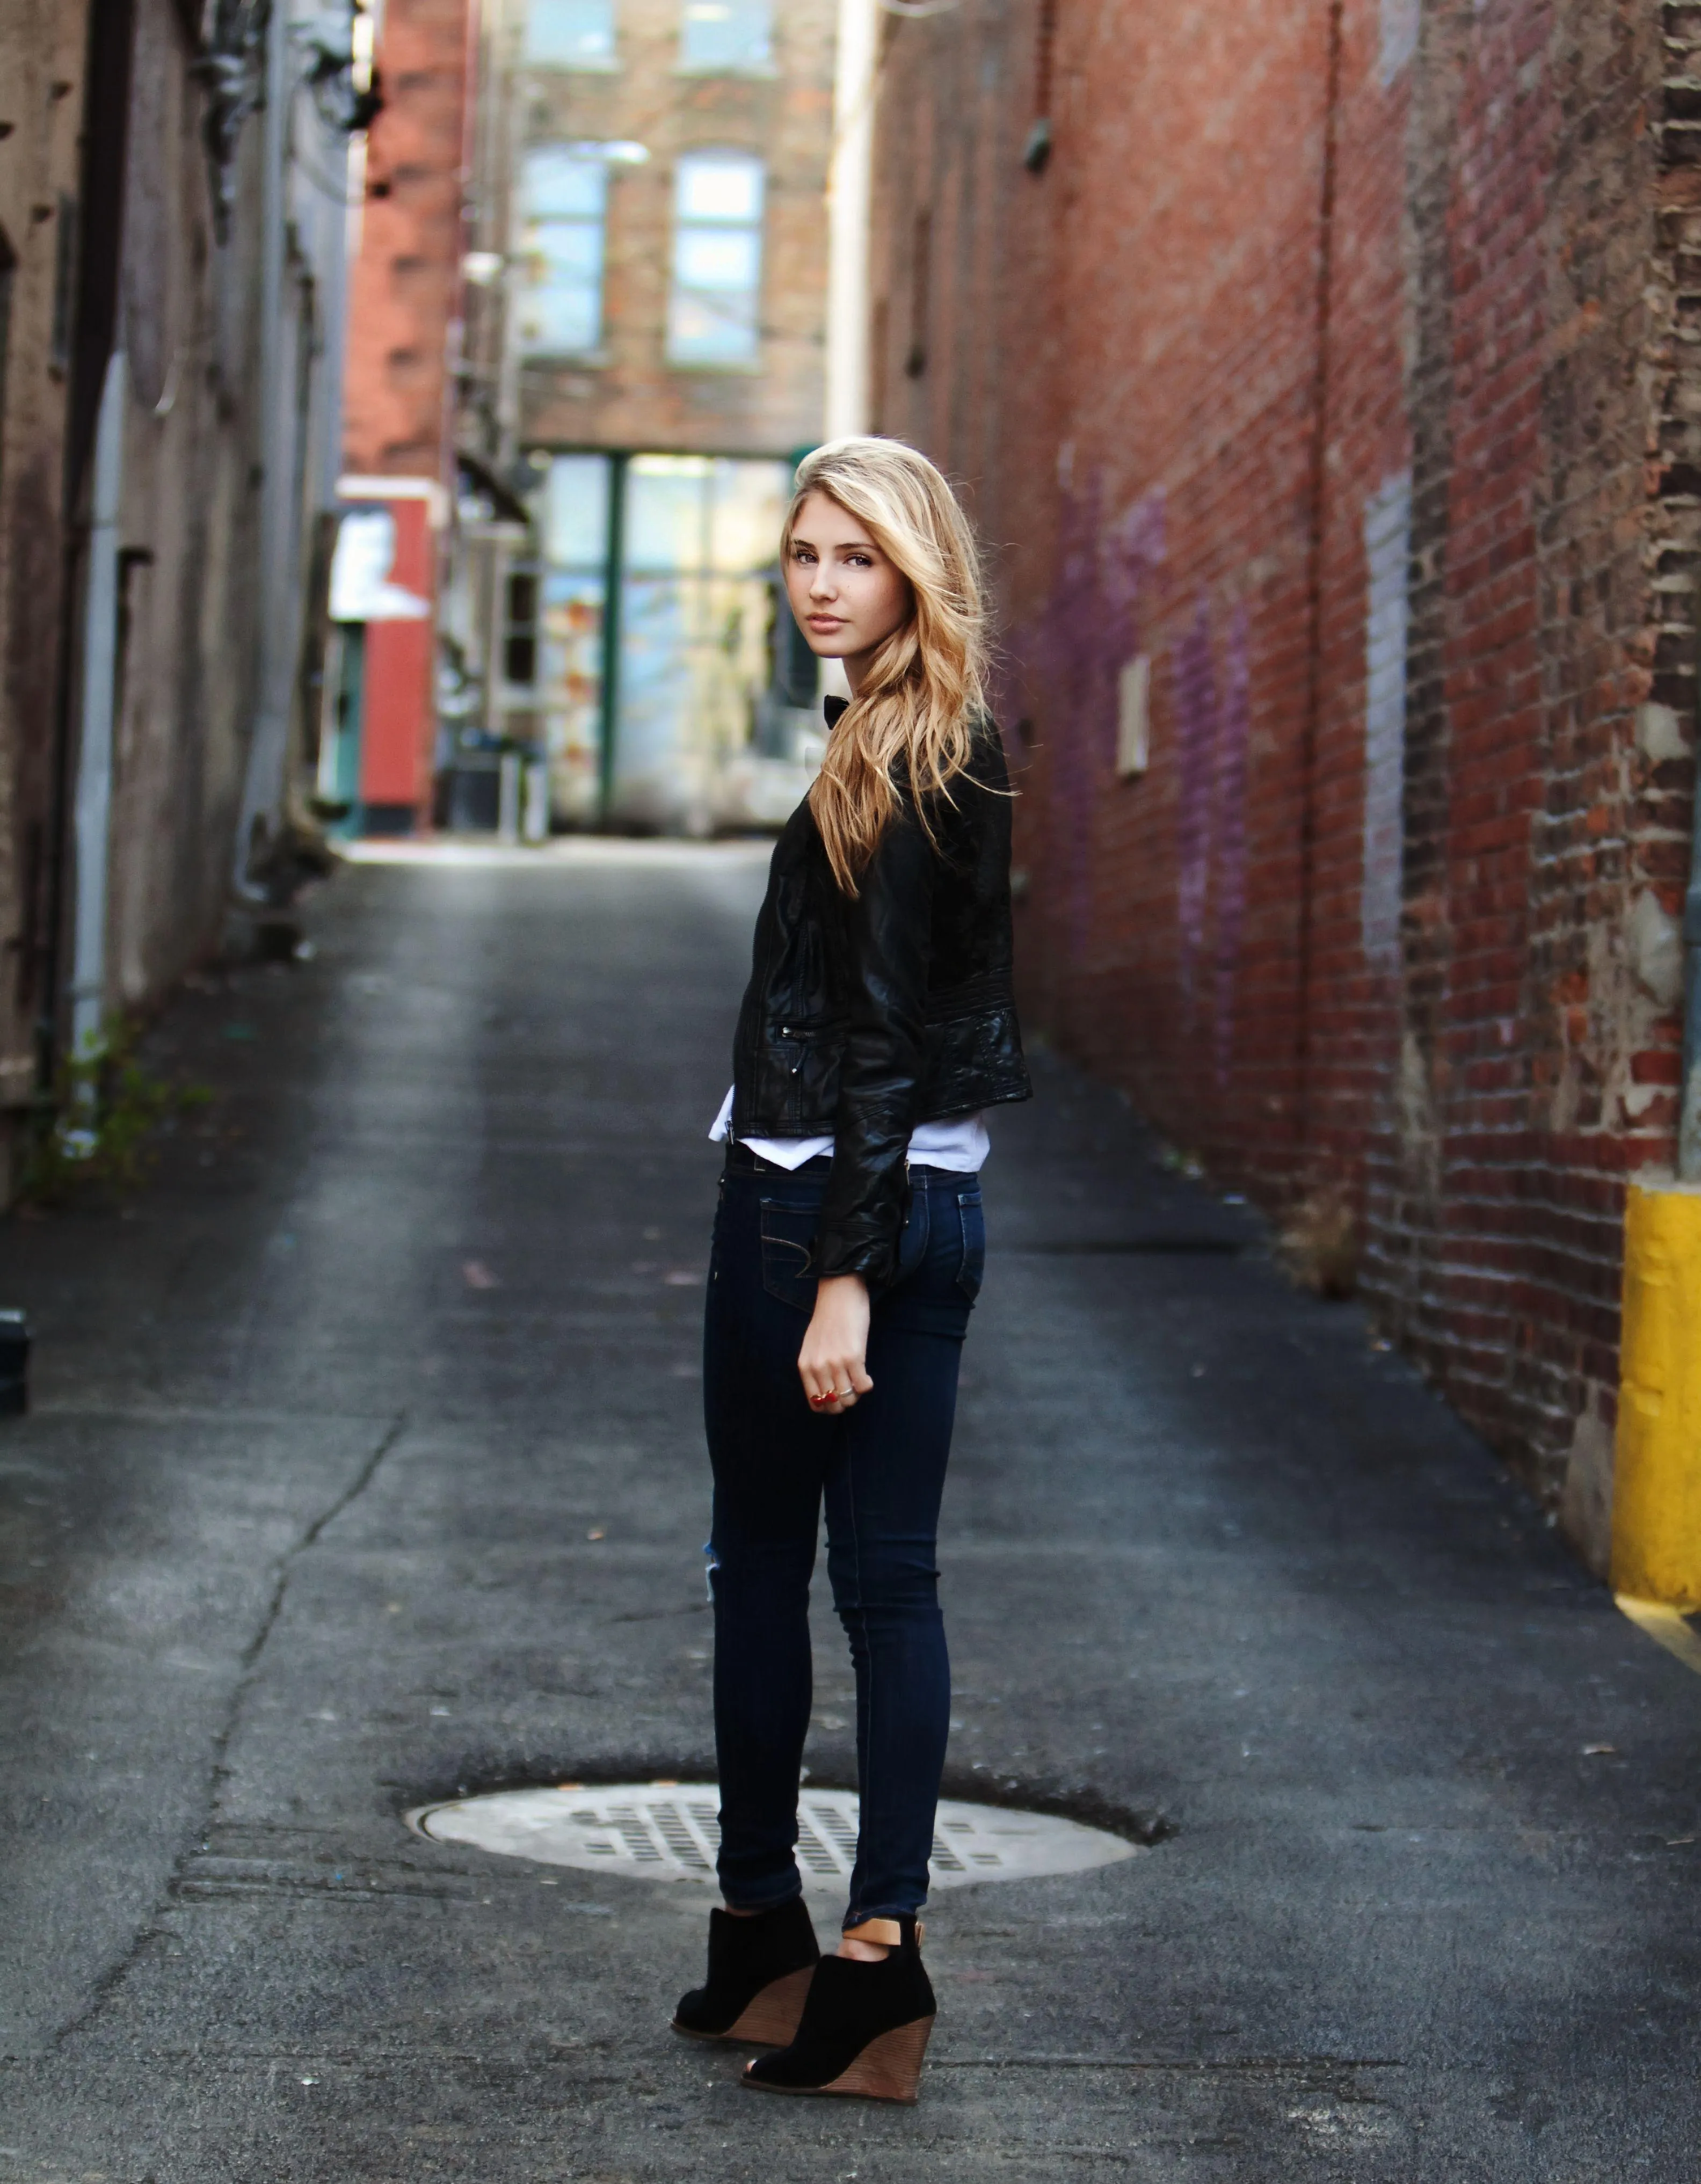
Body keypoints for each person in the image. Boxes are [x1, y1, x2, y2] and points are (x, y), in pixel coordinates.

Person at [671, 438, 1031, 2102]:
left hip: (820, 1213)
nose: (819, 580)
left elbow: (881, 1047)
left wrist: (837, 1280)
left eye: (855, 557)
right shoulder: (946, 740)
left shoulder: (899, 759)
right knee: (890, 1578)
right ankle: (847, 1954)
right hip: (930, 1211)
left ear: (915, 571)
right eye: (805, 550)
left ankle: (786, 1926)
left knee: (768, 1562)